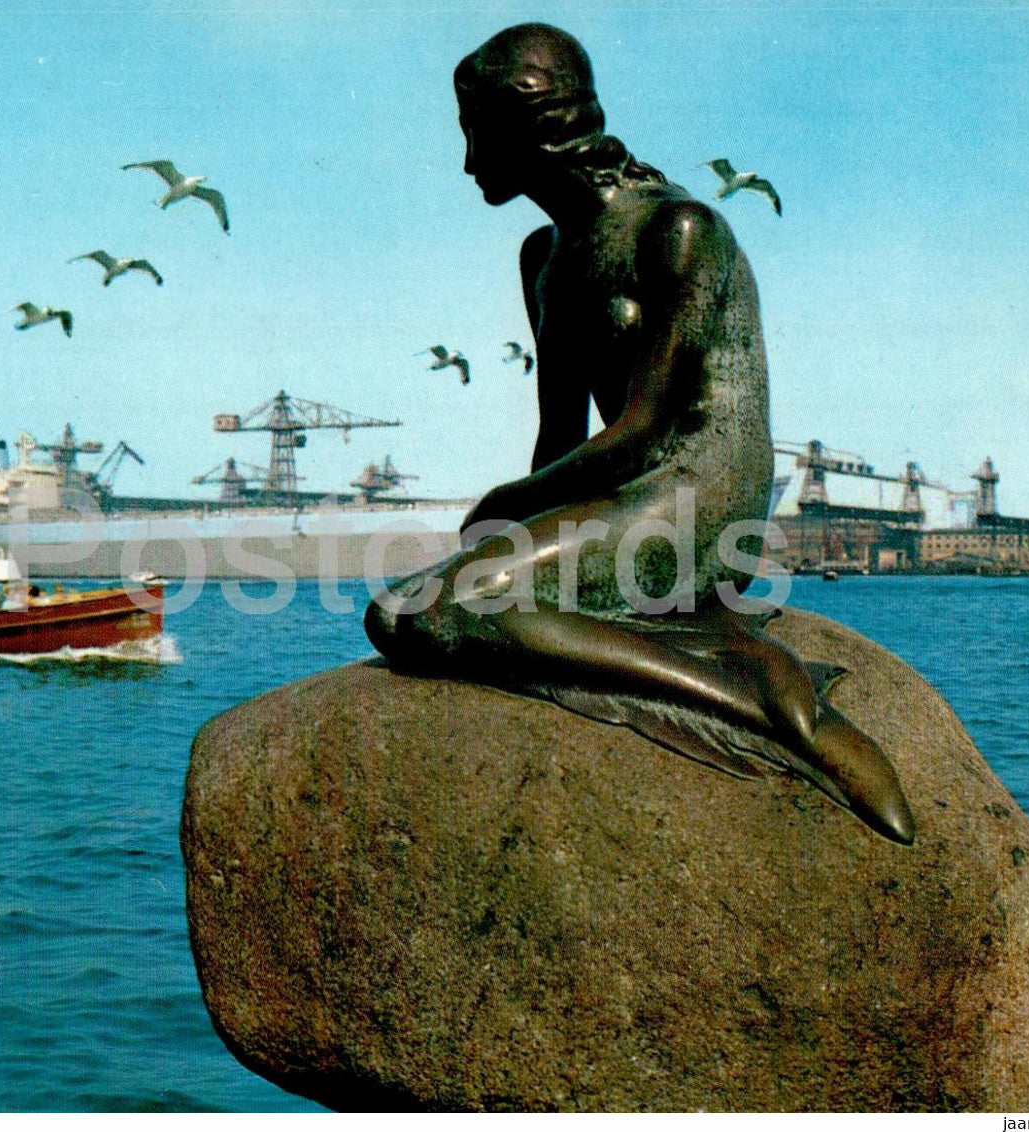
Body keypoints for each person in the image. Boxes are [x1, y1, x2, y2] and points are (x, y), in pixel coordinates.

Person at [364, 23, 912, 844]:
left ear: (534, 128)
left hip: (699, 495)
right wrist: (510, 522)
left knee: (459, 604)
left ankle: (751, 699)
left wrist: (499, 508)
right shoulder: (542, 256)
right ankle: (707, 659)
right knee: (395, 615)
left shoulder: (678, 232)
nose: (470, 163)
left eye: (477, 136)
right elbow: (560, 433)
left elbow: (645, 428)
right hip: (625, 493)